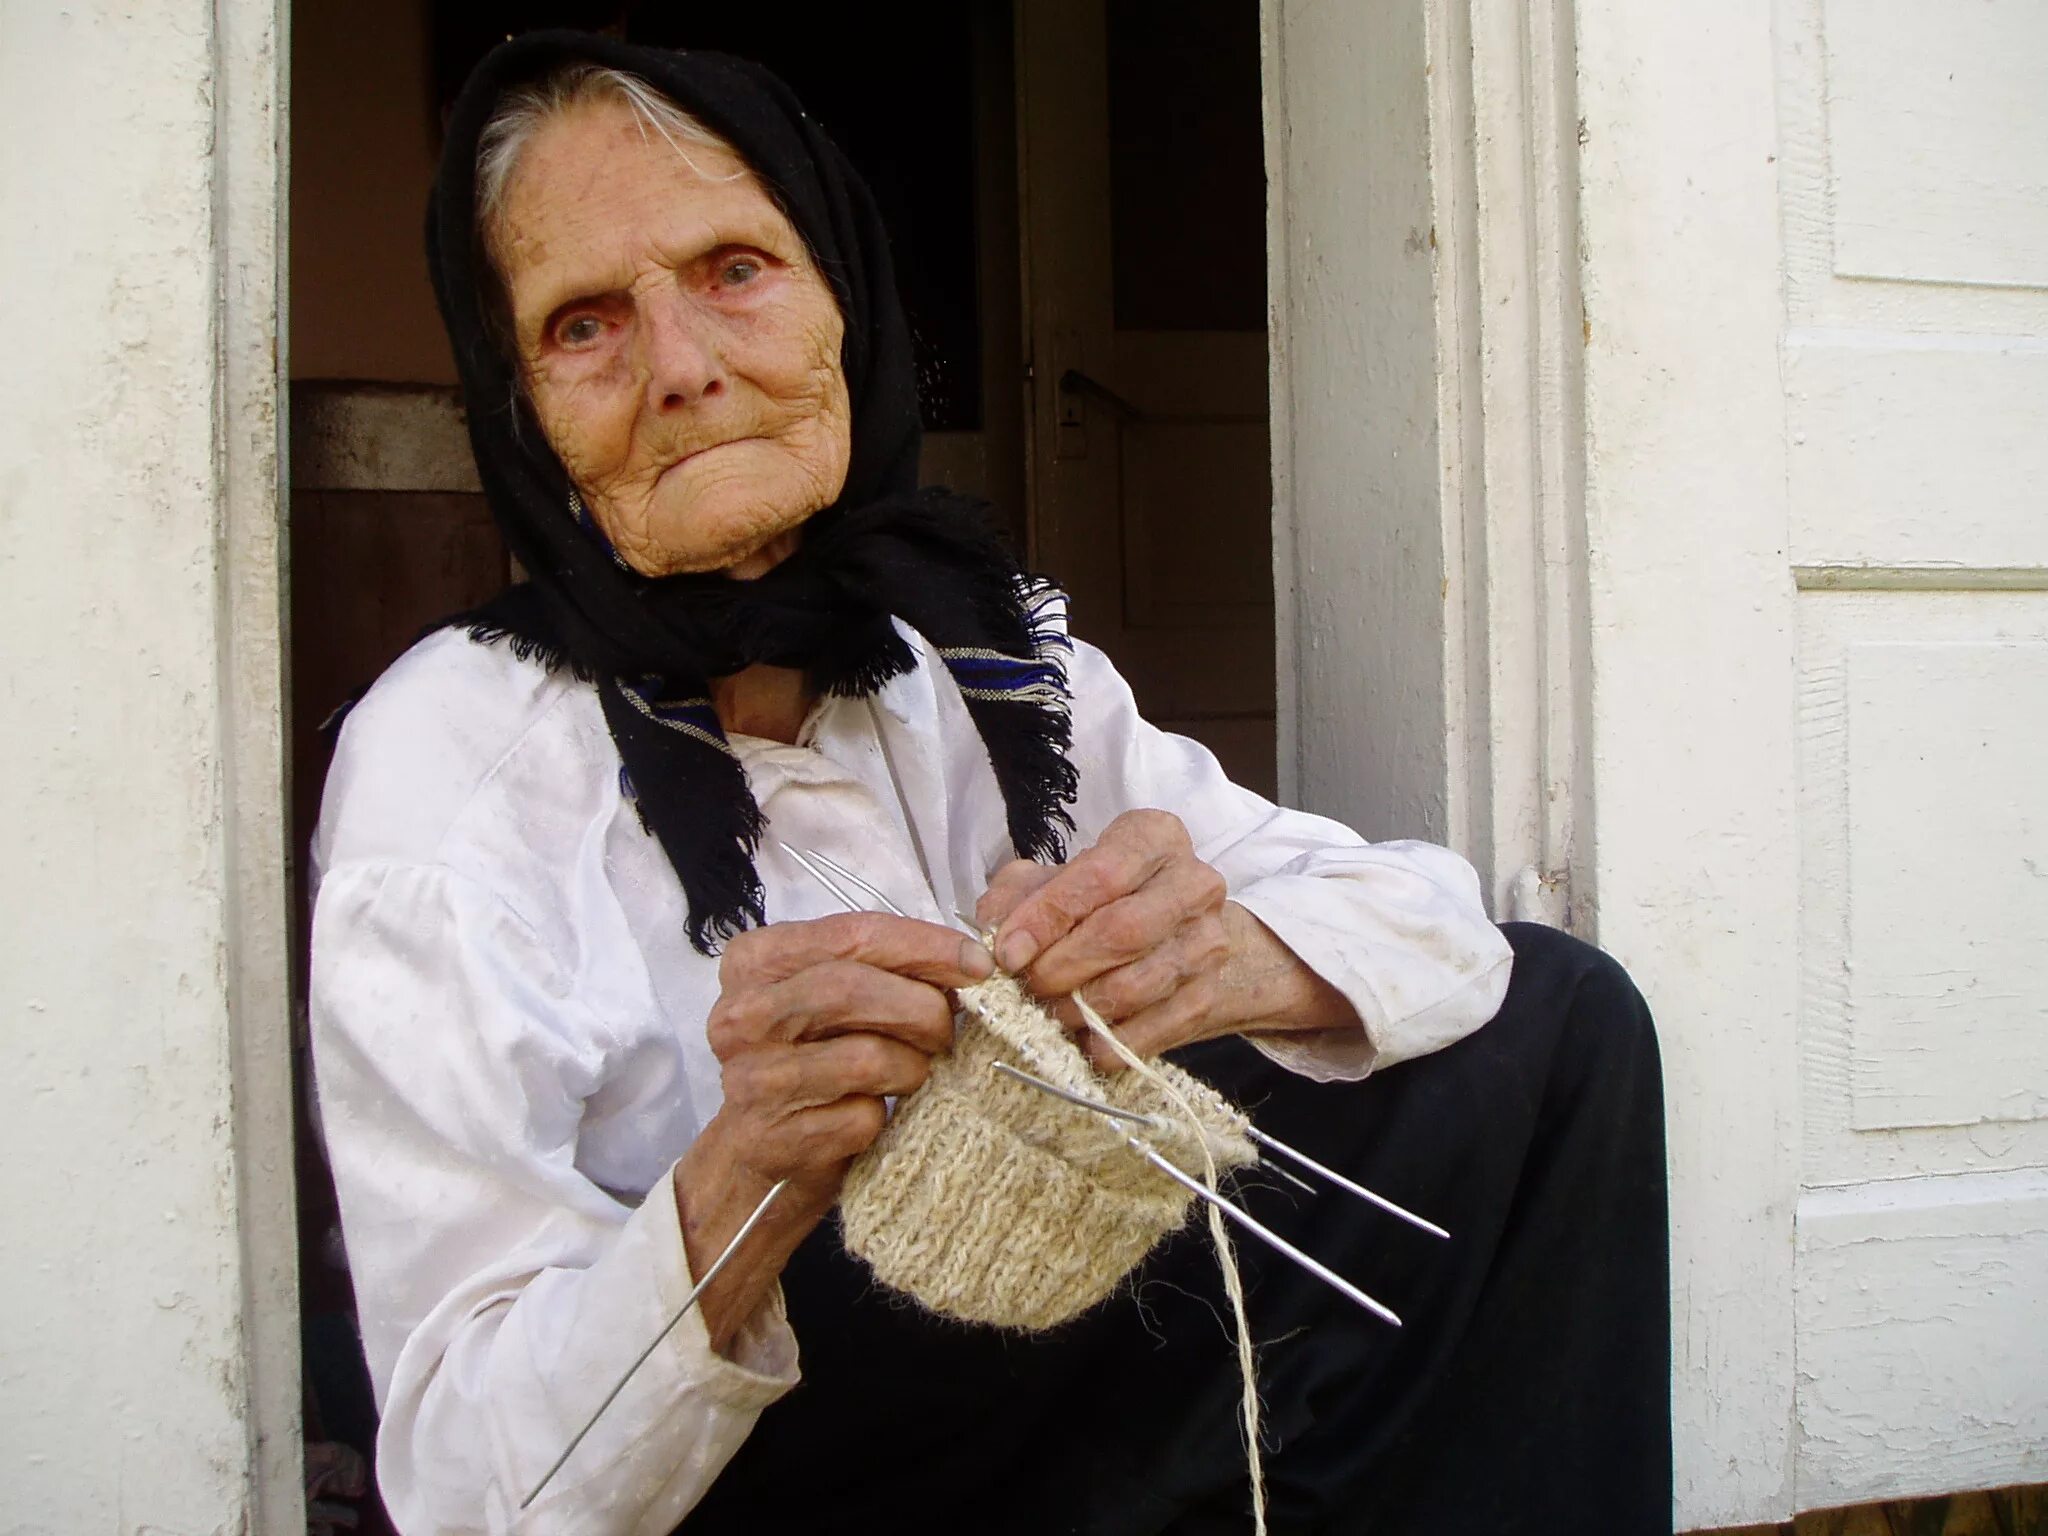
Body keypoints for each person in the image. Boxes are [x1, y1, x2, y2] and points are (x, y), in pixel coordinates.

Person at [310, 31, 1671, 1536]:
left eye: (736, 271)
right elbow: (458, 1480)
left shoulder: (970, 646)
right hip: (782, 1456)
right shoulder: (446, 774)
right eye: (582, 325)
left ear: (846, 293)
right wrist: (741, 1183)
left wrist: (1216, 961)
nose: (683, 367)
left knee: (1558, 1029)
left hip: (1049, 1339)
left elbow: (1434, 930)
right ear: (520, 415)